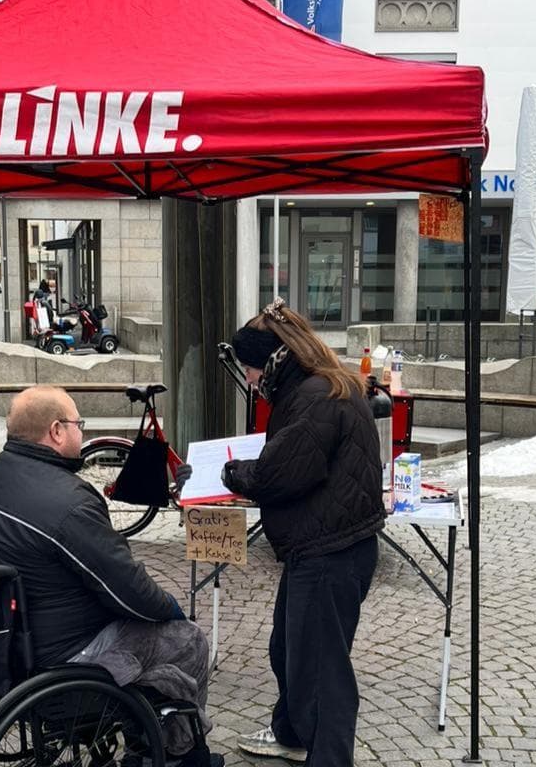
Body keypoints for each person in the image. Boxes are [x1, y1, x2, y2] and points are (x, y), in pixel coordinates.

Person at [0, 386, 223, 767]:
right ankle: (172, 753)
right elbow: (128, 590)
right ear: (55, 431)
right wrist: (169, 608)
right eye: (77, 424)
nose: (81, 432)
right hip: (66, 655)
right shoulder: (69, 502)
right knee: (188, 639)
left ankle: (147, 729)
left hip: (9, 642)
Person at [221, 298, 385, 767]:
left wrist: (230, 473)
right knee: (288, 648)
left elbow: (280, 474)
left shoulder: (316, 395)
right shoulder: (321, 386)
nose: (249, 381)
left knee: (321, 673)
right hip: (326, 545)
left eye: (250, 370)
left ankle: (328, 757)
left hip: (329, 552)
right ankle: (290, 732)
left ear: (273, 359)